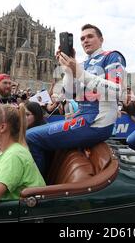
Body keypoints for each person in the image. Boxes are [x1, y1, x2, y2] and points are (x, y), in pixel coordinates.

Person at [26, 24, 126, 175]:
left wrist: (78, 72)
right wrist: (68, 69)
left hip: (97, 121)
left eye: (90, 36)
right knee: (32, 133)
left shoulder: (112, 56)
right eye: (82, 38)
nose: (85, 40)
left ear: (101, 39)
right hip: (82, 116)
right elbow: (69, 93)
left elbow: (118, 91)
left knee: (30, 136)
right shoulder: (82, 64)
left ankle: (36, 189)